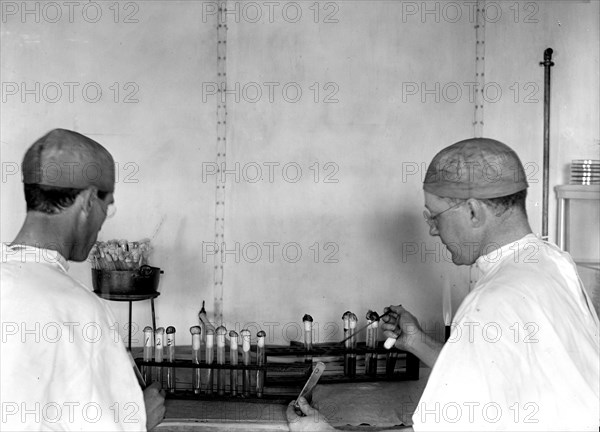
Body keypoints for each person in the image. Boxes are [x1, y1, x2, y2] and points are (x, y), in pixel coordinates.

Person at [286, 138, 600, 431]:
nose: (433, 231)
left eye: (435, 217)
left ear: (474, 211)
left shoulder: (492, 301)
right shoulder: (554, 263)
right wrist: (417, 341)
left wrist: (322, 430)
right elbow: (497, 370)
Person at [1, 129, 166, 431]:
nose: (104, 218)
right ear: (89, 200)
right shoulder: (80, 311)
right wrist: (140, 418)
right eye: (108, 205)